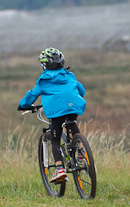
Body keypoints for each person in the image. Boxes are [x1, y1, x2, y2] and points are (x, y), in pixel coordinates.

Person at [18, 48, 86, 183]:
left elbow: (32, 95)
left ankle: (59, 169)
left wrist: (23, 105)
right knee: (72, 123)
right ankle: (80, 151)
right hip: (74, 106)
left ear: (44, 65)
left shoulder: (44, 80)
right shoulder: (69, 75)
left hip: (56, 111)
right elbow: (81, 90)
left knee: (55, 139)